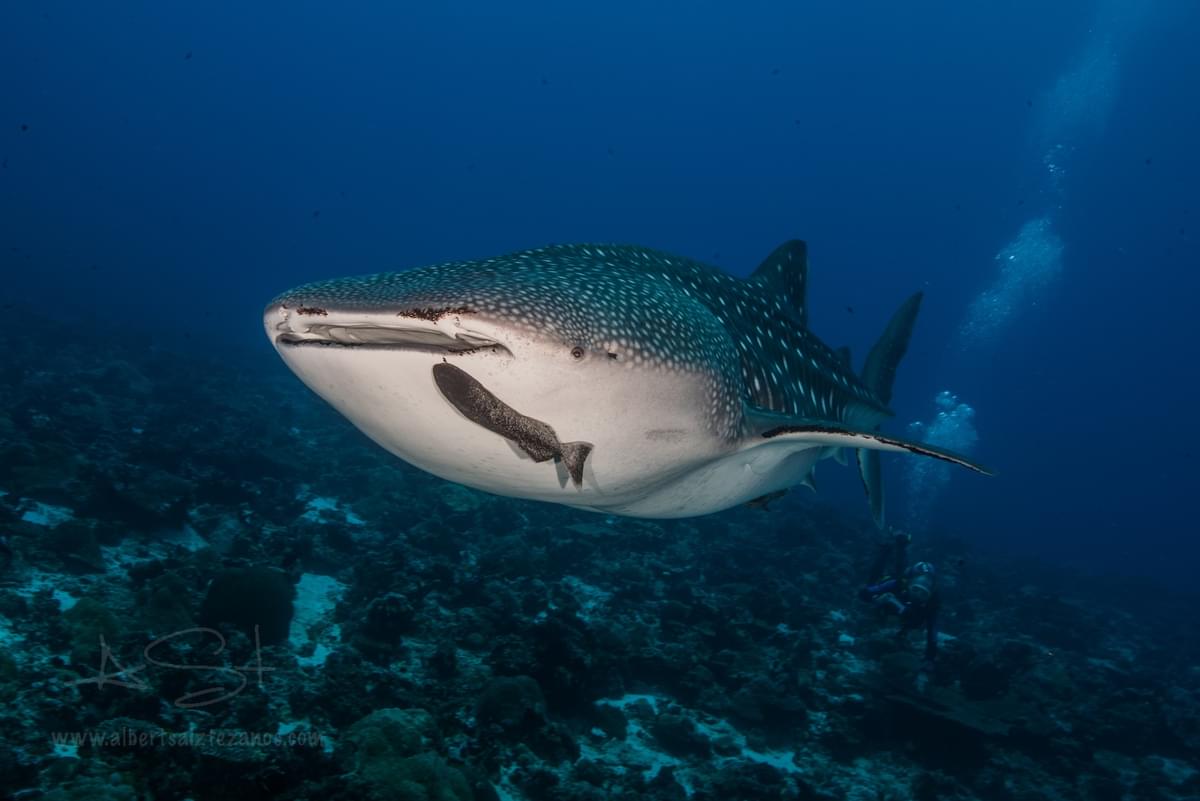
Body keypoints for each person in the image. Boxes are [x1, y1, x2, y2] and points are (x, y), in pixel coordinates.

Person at [858, 531, 940, 675]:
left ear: (930, 594)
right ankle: (888, 549)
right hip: (889, 604)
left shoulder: (932, 603)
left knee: (898, 574)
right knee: (875, 580)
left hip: (908, 619)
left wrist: (930, 658)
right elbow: (864, 593)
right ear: (909, 584)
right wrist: (877, 599)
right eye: (915, 589)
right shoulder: (898, 583)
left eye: (923, 593)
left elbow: (932, 633)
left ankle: (900, 546)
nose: (917, 596)